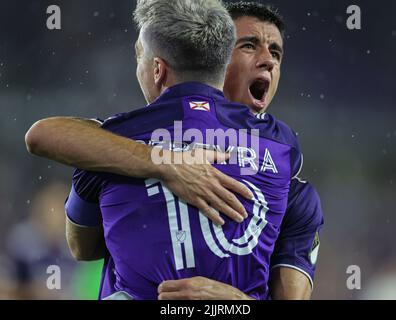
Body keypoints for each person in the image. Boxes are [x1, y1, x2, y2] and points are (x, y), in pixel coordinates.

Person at [25, 1, 323, 299]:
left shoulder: (114, 141)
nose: (267, 60)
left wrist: (234, 304)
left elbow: (82, 245)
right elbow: (45, 137)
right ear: (220, 57)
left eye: (275, 52)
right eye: (248, 45)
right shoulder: (281, 148)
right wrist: (166, 162)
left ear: (158, 69)